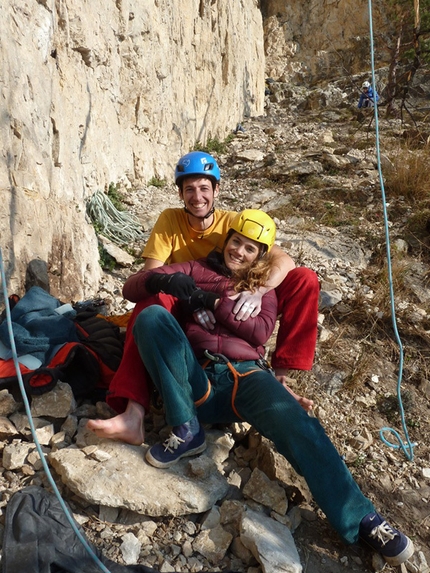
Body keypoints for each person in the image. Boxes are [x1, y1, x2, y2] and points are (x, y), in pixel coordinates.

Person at [89, 210, 414, 567]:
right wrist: (163, 284)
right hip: (200, 378)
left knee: (300, 428)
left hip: (248, 378)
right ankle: (186, 428)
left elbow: (258, 333)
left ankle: (365, 520)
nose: (239, 252)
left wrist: (209, 302)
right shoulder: (196, 268)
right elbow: (132, 286)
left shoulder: (263, 289)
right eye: (236, 243)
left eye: (250, 248)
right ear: (225, 241)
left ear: (261, 256)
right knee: (152, 317)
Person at [103, 151, 319, 420]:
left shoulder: (233, 223)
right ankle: (133, 405)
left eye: (204, 188)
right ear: (180, 194)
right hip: (185, 300)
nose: (197, 197)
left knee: (304, 279)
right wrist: (193, 299)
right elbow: (152, 275)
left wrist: (258, 291)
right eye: (189, 189)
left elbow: (283, 260)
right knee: (151, 300)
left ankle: (281, 376)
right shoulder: (170, 220)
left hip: (231, 297)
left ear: (216, 189)